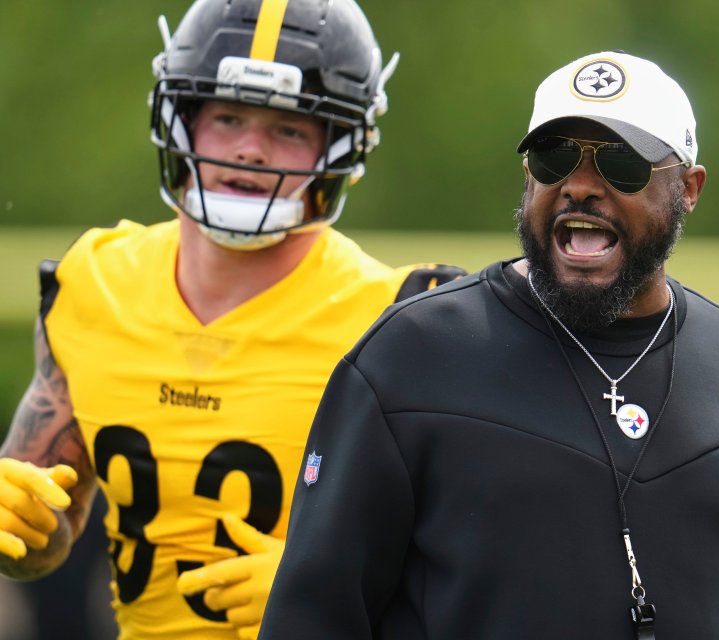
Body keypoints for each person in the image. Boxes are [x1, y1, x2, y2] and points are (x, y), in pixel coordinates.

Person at [259, 51, 719, 639]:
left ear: (689, 188)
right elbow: (315, 618)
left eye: (621, 164)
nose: (580, 187)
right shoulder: (410, 358)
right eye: (555, 157)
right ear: (529, 175)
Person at [0, 1, 462, 638]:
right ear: (181, 120)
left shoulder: (401, 321)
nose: (249, 149)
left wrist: (327, 585)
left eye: (289, 129)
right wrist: (16, 526)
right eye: (227, 117)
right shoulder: (94, 281)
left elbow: (481, 567)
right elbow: (47, 530)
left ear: (341, 145)